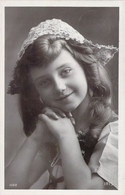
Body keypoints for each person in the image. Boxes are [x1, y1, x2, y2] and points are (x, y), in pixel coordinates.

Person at [5, 18, 118, 189]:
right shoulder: (54, 131)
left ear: (87, 69)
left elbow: (86, 191)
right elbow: (10, 186)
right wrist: (35, 139)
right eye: (44, 82)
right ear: (38, 93)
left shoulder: (116, 133)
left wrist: (66, 136)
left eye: (65, 71)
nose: (59, 87)